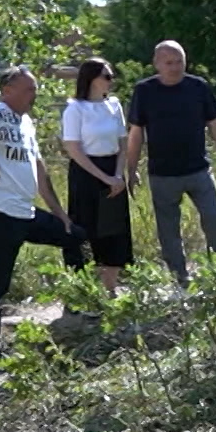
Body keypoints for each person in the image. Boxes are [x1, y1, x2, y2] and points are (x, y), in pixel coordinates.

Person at [0, 65, 87, 366]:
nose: (34, 94)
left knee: (74, 236)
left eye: (35, 88)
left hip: (23, 211)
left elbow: (39, 171)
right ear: (7, 90)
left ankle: (78, 301)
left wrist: (60, 214)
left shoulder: (26, 122)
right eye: (28, 88)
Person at [123, 40, 216, 286]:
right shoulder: (145, 91)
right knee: (168, 231)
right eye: (169, 62)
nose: (174, 67)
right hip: (162, 174)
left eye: (179, 62)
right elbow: (136, 133)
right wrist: (130, 171)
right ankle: (179, 276)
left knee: (214, 221)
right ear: (157, 64)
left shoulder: (198, 87)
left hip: (199, 170)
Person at [60, 58, 132, 295]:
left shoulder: (114, 105)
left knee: (113, 229)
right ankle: (82, 291)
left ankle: (110, 289)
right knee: (84, 228)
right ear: (91, 79)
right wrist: (103, 177)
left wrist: (118, 175)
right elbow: (73, 149)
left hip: (113, 168)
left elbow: (123, 143)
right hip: (86, 171)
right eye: (107, 77)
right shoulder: (75, 108)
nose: (111, 82)